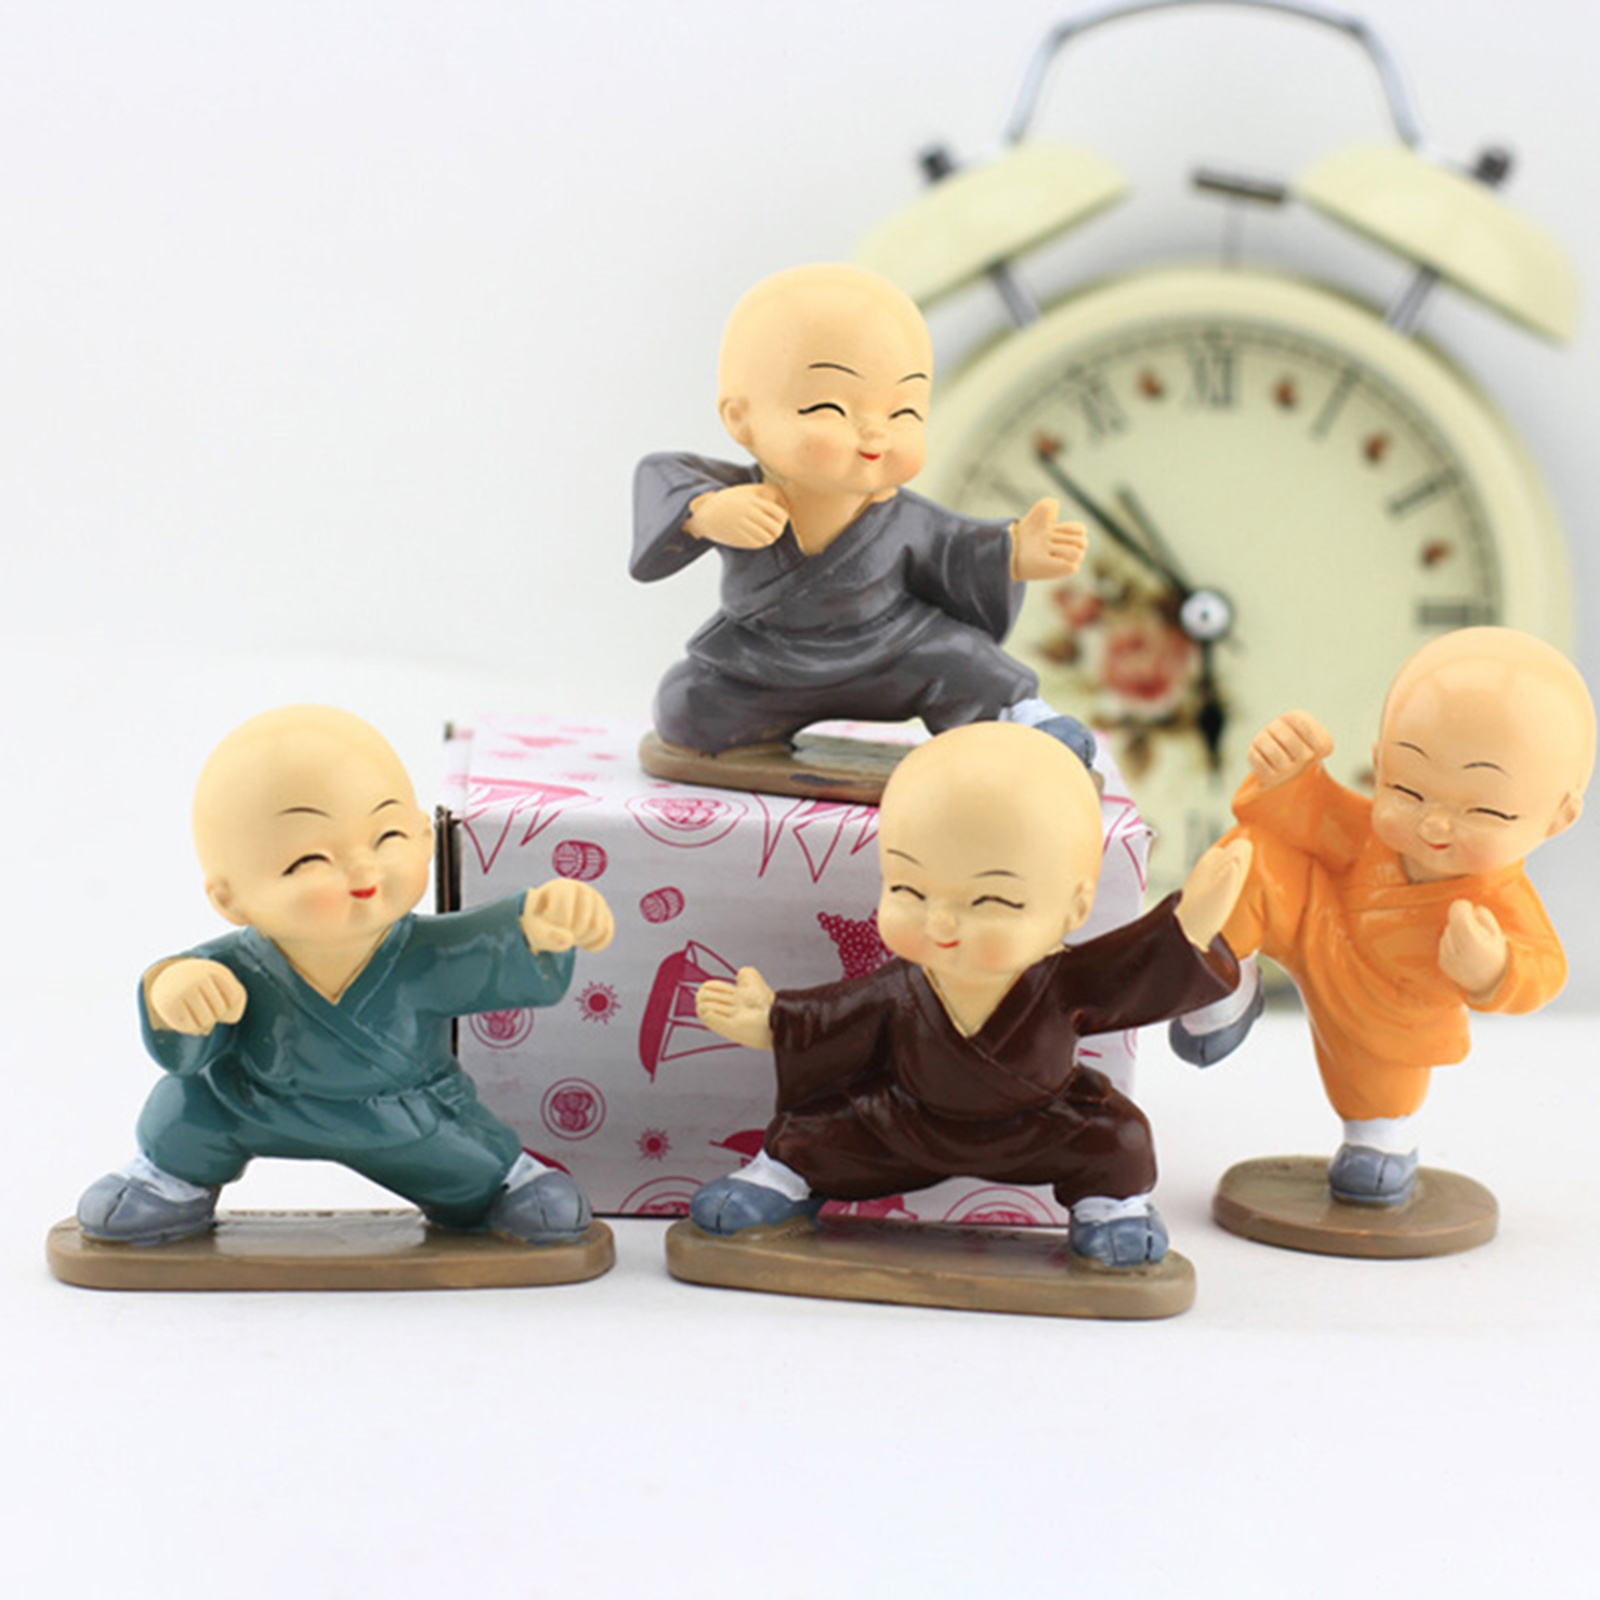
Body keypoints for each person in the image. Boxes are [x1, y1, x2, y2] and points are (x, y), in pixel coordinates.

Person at [690, 721, 1249, 1267]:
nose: (940, 923)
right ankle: (783, 1182)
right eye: (908, 890)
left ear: (1075, 906)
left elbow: (1131, 972)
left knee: (1119, 1138)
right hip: (906, 1123)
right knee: (812, 1130)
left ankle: (1109, 1209)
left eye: (991, 901)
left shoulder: (1065, 981)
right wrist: (774, 1020)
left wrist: (1187, 930)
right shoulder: (902, 987)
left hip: (1040, 1126)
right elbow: (837, 1015)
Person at [76, 706, 615, 1247]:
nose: (363, 870)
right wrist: (175, 994)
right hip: (250, 1102)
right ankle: (169, 1182)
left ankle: (504, 1184)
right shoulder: (236, 967)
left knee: (471, 1167)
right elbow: (187, 1025)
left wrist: (540, 924)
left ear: (424, 837)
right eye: (309, 861)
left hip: (400, 1117)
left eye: (387, 837)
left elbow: (487, 945)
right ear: (228, 897)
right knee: (185, 1111)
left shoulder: (424, 953)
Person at [1171, 627, 1595, 1205]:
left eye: (1485, 811)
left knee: (1377, 1101)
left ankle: (1381, 1142)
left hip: (1390, 1017)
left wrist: (1496, 969)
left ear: (1559, 817)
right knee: (1249, 856)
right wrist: (1289, 777)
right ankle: (1224, 983)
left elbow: (1545, 967)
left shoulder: (1501, 901)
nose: (1433, 824)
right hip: (1317, 924)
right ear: (1379, 762)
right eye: (1407, 791)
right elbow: (1311, 815)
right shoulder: (1369, 834)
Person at [631, 263, 1096, 765]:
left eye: (904, 413)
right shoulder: (735, 496)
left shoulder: (906, 517)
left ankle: (1022, 719)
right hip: (762, 661)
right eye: (830, 409)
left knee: (963, 657)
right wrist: (703, 512)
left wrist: (1012, 552)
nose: (875, 434)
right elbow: (665, 476)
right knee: (687, 703)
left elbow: (956, 549)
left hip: (894, 651)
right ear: (740, 419)